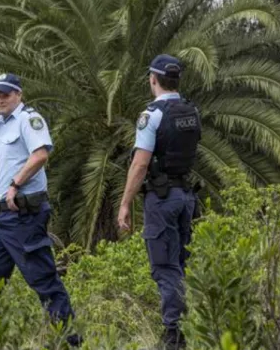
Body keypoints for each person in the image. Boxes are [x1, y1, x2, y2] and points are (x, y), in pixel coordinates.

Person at [0, 73, 79, 345]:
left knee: (44, 283)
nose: (0, 99)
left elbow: (41, 154)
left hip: (25, 217)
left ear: (19, 94)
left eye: (6, 94)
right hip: (0, 219)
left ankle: (72, 342)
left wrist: (15, 184)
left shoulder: (28, 120)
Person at [118, 54, 201, 350]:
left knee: (165, 267)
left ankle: (173, 335)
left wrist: (125, 203)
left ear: (153, 79)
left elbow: (140, 164)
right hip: (185, 196)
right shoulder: (191, 111)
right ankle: (192, 325)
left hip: (162, 199)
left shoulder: (151, 115)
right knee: (180, 264)